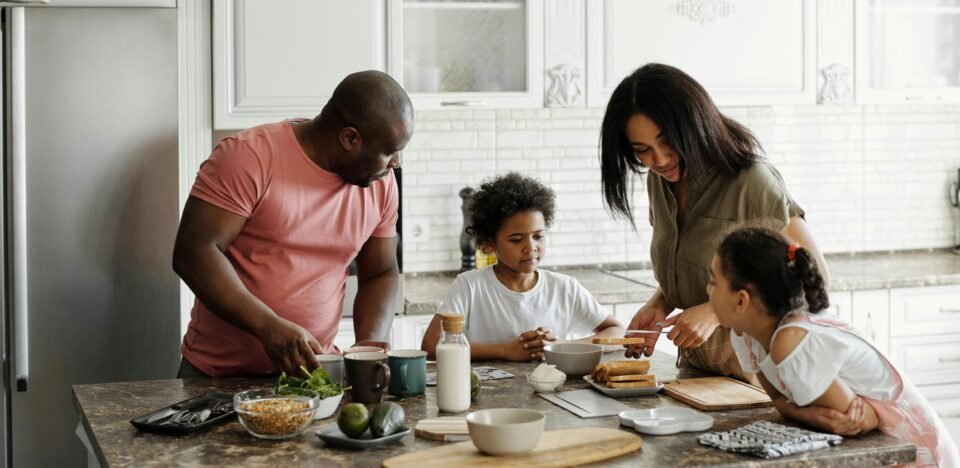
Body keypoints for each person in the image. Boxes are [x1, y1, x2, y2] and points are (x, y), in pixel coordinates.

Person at [172, 70, 413, 378]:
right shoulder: (249, 157)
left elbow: (380, 272)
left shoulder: (380, 183)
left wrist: (369, 345)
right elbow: (194, 253)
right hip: (217, 377)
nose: (397, 163)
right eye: (389, 151)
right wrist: (267, 327)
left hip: (312, 376)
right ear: (349, 138)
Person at [598, 63, 829, 381]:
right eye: (643, 150)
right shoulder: (660, 180)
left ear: (694, 125)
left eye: (668, 142)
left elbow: (811, 279)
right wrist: (661, 303)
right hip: (699, 372)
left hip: (761, 381)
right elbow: (702, 267)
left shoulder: (751, 181)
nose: (660, 159)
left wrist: (714, 313)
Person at [708, 226, 958, 467]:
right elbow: (780, 402)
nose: (708, 291)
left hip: (914, 450)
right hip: (876, 450)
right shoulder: (746, 335)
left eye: (713, 282)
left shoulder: (792, 341)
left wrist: (803, 412)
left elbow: (854, 421)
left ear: (742, 300)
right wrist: (809, 414)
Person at [420, 172, 625, 361]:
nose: (530, 248)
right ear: (490, 243)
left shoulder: (564, 287)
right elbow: (430, 345)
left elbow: (617, 332)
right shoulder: (470, 286)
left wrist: (561, 345)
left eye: (538, 236)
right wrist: (505, 350)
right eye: (516, 239)